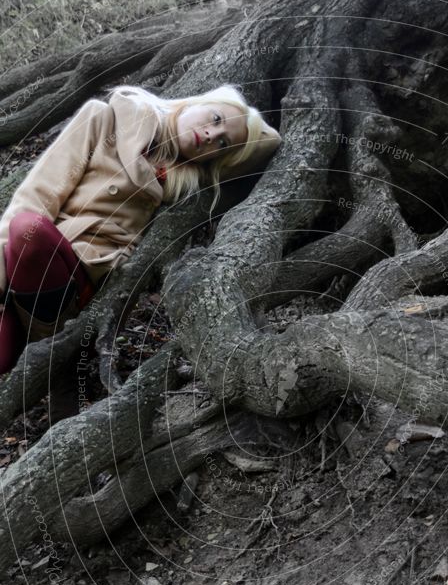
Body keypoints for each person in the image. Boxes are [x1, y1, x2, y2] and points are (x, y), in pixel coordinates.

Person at [0, 83, 282, 374]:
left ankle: (37, 329)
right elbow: (37, 195)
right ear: (194, 102)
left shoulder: (183, 177)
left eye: (223, 144)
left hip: (76, 277)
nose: (211, 135)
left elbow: (270, 142)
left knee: (26, 233)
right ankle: (28, 326)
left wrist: (246, 123)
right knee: (27, 230)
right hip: (28, 260)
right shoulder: (105, 119)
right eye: (215, 119)